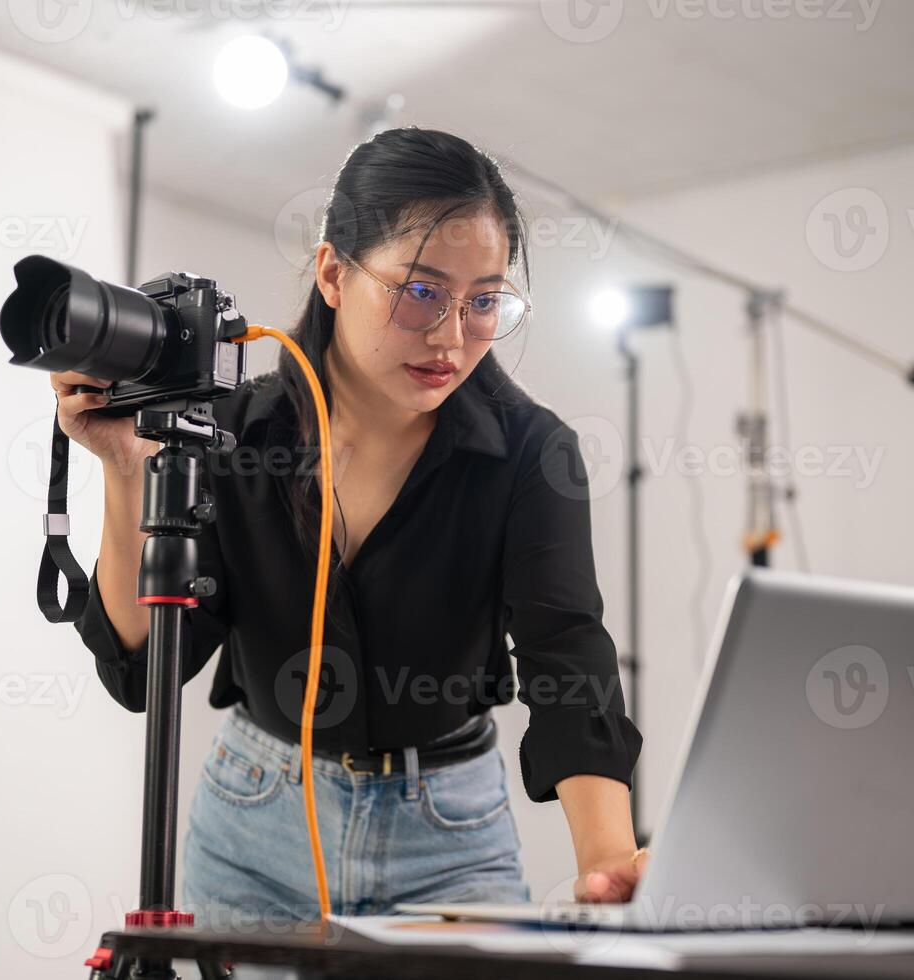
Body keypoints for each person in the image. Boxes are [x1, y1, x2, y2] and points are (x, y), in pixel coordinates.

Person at [49, 127, 645, 922]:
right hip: (255, 826)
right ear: (332, 272)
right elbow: (139, 667)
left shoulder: (530, 454)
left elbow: (566, 651)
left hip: (449, 838)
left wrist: (607, 858)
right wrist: (126, 468)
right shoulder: (231, 429)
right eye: (420, 291)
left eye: (483, 302)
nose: (449, 337)